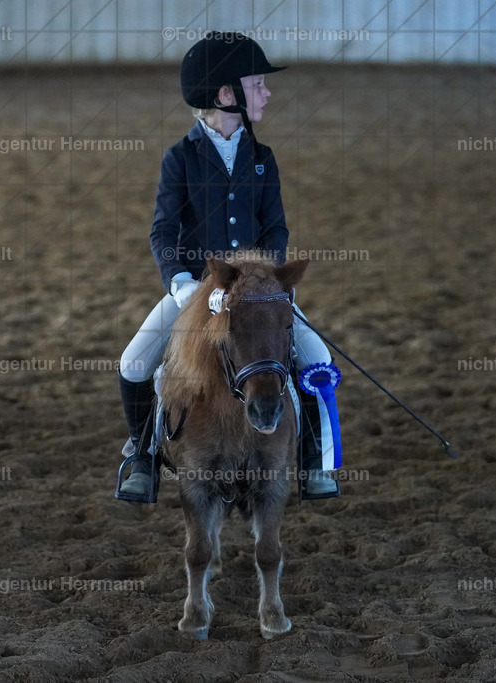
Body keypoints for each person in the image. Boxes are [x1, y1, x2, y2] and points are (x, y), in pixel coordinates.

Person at [116, 31, 339, 501]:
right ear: (225, 95)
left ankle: (316, 463)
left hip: (259, 293)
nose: (267, 92)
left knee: (317, 357)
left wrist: (270, 279)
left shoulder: (262, 158)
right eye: (257, 83)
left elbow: (276, 229)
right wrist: (181, 287)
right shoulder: (180, 159)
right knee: (134, 362)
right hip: (198, 292)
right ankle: (143, 455)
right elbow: (163, 232)